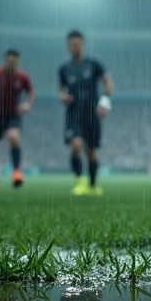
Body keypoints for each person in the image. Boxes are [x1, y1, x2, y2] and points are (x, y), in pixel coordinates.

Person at [59, 31, 113, 196]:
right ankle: (80, 181)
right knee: (75, 145)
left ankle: (93, 184)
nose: (75, 46)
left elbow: (108, 83)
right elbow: (61, 89)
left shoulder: (94, 64)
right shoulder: (64, 69)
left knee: (90, 151)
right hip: (74, 113)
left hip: (91, 113)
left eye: (78, 43)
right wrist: (62, 96)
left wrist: (104, 103)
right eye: (72, 44)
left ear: (83, 43)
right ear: (68, 46)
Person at [0, 49, 34, 193]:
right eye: (9, 61)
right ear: (5, 61)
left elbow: (31, 92)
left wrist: (27, 104)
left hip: (13, 115)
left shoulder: (22, 77)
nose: (11, 64)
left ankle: (16, 171)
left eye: (14, 62)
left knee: (13, 136)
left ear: (18, 62)